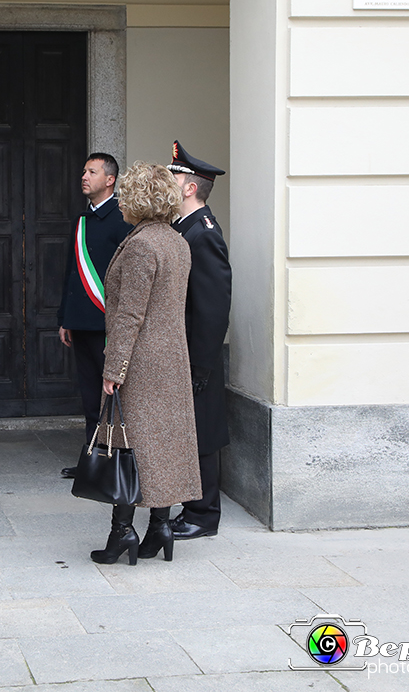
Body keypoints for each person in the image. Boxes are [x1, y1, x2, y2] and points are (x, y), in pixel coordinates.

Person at [90, 162, 200, 566]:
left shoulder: (141, 245)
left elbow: (130, 315)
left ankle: (122, 531)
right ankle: (160, 526)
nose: (119, 203)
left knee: (128, 445)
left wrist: (113, 369)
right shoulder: (176, 241)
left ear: (137, 198)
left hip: (141, 361)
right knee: (163, 446)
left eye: (125, 195)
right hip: (171, 358)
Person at [167, 141, 233, 540]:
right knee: (189, 433)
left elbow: (212, 308)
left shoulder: (202, 234)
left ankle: (203, 515)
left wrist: (200, 366)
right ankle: (191, 507)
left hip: (197, 356)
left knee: (203, 434)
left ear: (190, 187)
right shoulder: (184, 228)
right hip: (186, 353)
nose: (168, 181)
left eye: (174, 176)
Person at [58, 152, 130, 478]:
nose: (84, 176)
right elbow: (72, 272)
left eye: (92, 171)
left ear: (110, 179)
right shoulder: (81, 220)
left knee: (111, 397)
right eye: (84, 170)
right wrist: (65, 317)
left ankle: (114, 461)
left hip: (106, 324)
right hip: (81, 322)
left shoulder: (122, 219)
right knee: (89, 397)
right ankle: (91, 460)